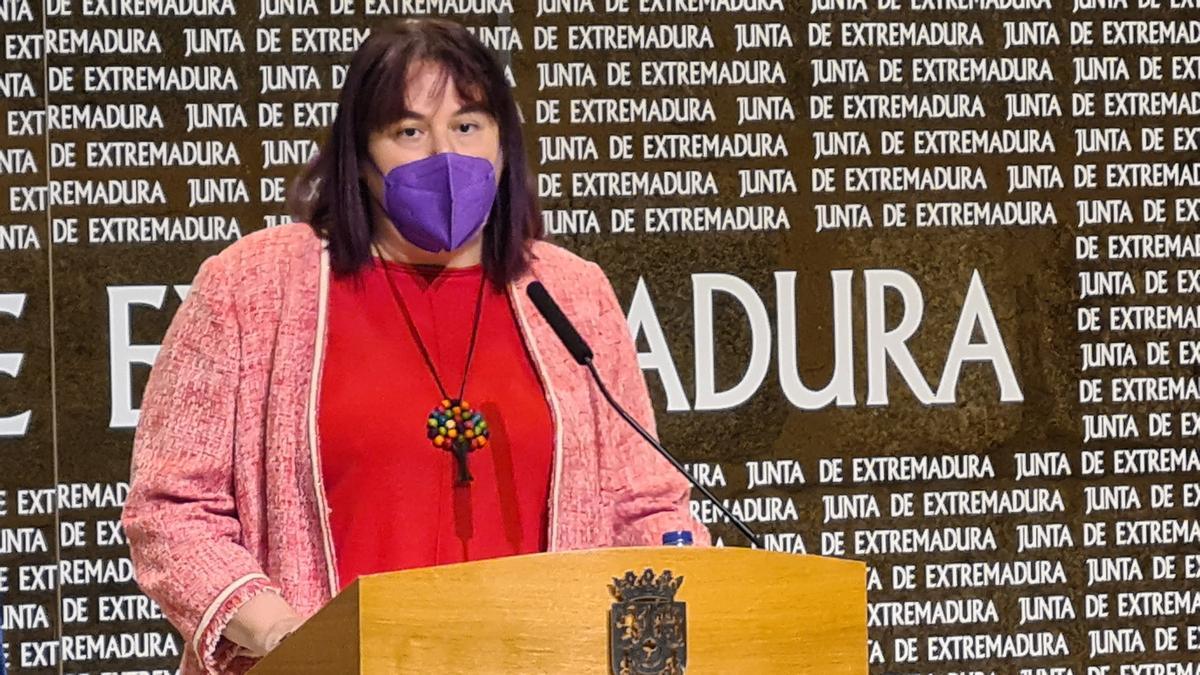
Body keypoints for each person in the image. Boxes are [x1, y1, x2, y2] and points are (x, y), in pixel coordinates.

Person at [121, 17, 710, 675]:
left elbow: (645, 504)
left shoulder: (571, 292)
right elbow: (172, 510)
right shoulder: (249, 287)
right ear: (360, 154)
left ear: (504, 143)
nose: (444, 155)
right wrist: (290, 638)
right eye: (409, 131)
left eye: (468, 125)